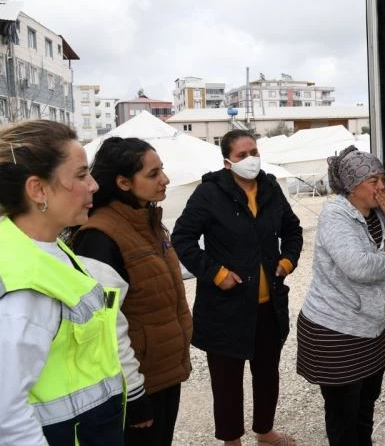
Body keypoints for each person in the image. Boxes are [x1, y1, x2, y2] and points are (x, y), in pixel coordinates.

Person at [172, 129, 302, 446]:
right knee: (227, 381)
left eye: (254, 152)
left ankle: (265, 431)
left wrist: (286, 263)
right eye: (243, 155)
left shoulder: (270, 188)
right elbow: (182, 239)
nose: (251, 159)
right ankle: (231, 440)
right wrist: (216, 274)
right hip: (225, 307)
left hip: (268, 305)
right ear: (228, 162)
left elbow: (293, 229)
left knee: (267, 373)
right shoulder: (209, 193)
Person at [0, 120, 125, 445]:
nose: (94, 185)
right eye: (81, 175)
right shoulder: (24, 288)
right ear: (38, 190)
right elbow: (6, 417)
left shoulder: (45, 247)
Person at [69, 137, 193, 446]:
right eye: (153, 174)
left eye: (161, 170)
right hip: (135, 384)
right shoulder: (99, 237)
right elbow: (105, 329)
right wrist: (135, 396)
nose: (164, 179)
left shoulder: (149, 222)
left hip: (164, 374)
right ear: (123, 182)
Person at [296, 145, 385, 446]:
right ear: (351, 186)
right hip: (336, 332)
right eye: (372, 181)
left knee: (365, 407)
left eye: (382, 179)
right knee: (343, 418)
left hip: (370, 328)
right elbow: (358, 267)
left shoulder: (378, 212)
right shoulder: (335, 216)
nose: (381, 187)